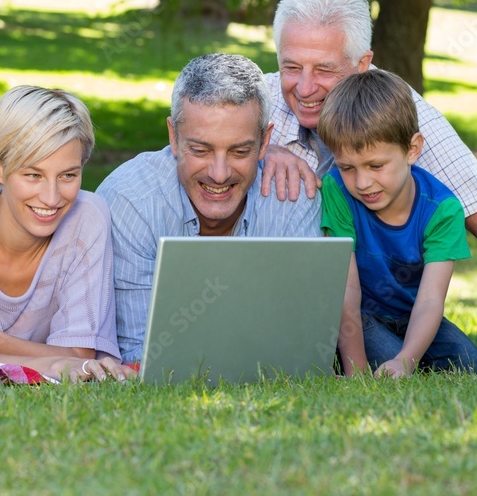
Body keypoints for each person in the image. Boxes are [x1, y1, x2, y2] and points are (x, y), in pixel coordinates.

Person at [260, 0, 477, 372]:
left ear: (362, 64)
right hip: (292, 304)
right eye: (291, 67)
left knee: (461, 364)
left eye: (324, 69)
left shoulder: (399, 115)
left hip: (384, 305)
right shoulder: (255, 103)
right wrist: (259, 148)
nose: (304, 88)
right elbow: (189, 154)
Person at [95, 53, 322, 364]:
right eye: (200, 149)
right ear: (173, 137)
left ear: (265, 141)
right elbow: (139, 354)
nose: (219, 173)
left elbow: (301, 346)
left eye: (240, 151)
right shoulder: (131, 203)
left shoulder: (293, 198)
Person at [0, 86, 134, 382]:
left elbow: (81, 356)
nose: (52, 197)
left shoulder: (88, 216)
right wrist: (52, 362)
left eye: (68, 175)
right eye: (33, 175)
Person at [317, 69, 477, 377]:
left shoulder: (442, 210)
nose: (363, 182)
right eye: (347, 167)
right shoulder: (336, 189)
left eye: (376, 165)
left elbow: (431, 300)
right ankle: (345, 358)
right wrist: (358, 369)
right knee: (386, 356)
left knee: (468, 362)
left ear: (412, 149)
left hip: (410, 312)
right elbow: (346, 291)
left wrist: (407, 359)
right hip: (360, 315)